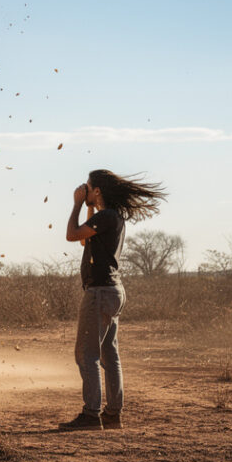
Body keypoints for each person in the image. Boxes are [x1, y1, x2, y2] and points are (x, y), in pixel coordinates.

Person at [58, 169, 167, 431]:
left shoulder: (106, 216)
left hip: (99, 293)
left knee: (87, 354)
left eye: (88, 187)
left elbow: (72, 235)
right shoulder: (111, 217)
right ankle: (112, 414)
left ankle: (91, 414)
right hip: (113, 291)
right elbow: (85, 241)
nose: (84, 190)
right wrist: (87, 208)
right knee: (109, 354)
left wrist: (75, 204)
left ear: (97, 191)